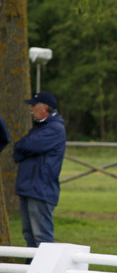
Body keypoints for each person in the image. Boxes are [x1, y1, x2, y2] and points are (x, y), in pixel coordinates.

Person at [13, 92, 66, 247]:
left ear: (45, 108)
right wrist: (25, 147)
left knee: (42, 236)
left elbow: (27, 145)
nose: (31, 108)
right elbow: (19, 148)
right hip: (29, 187)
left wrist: (25, 147)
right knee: (29, 234)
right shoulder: (40, 127)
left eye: (33, 105)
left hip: (41, 188)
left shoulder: (54, 128)